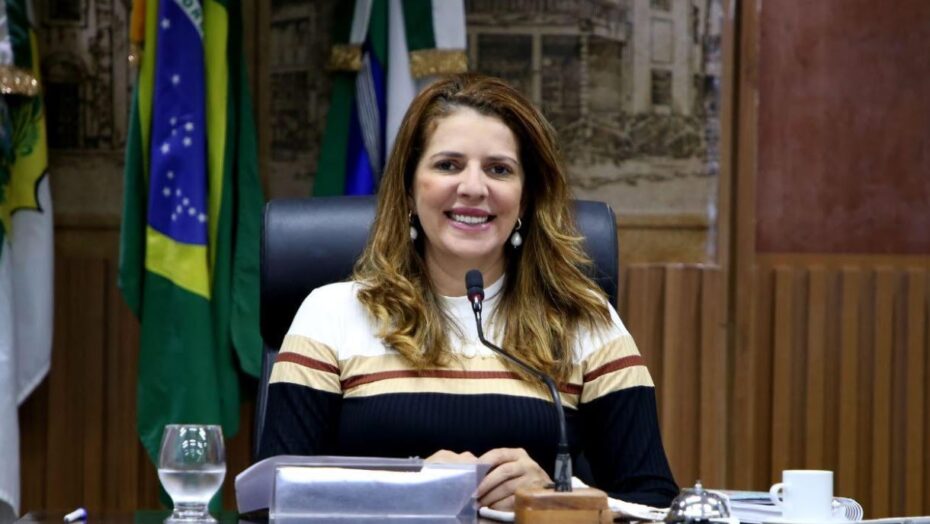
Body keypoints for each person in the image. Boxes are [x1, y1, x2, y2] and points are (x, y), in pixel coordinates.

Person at [258, 73, 678, 509]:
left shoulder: (584, 319)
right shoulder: (332, 313)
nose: (474, 188)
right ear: (408, 189)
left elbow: (655, 504)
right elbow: (270, 500)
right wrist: (407, 491)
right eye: (448, 165)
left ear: (526, 197)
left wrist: (556, 497)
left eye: (499, 169)